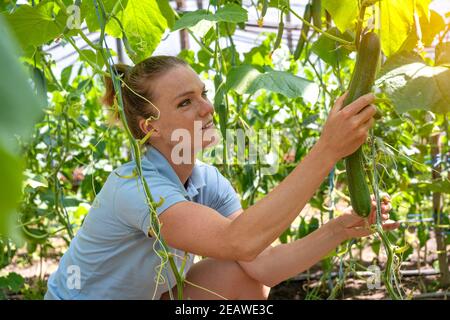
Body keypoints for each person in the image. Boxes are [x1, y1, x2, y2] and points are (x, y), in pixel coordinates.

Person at [45, 55, 399, 300]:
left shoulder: (206, 181)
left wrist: (339, 229)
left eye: (204, 94)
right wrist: (327, 150)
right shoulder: (135, 188)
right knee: (238, 257)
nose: (207, 108)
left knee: (245, 277)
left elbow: (263, 265)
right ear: (150, 127)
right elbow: (239, 241)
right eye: (186, 102)